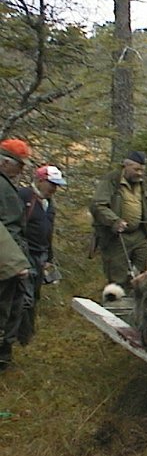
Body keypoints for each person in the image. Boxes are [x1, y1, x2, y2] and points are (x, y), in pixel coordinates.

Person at [90, 151, 147, 291]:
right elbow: (98, 205)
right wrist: (114, 221)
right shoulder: (111, 180)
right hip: (116, 236)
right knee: (117, 276)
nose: (140, 173)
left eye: (142, 170)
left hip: (139, 235)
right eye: (136, 169)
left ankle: (139, 303)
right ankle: (116, 307)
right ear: (126, 166)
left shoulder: (143, 183)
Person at [18, 165, 66, 341]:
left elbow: (48, 232)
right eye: (51, 184)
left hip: (41, 255)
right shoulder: (23, 196)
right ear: (40, 180)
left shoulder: (49, 203)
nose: (54, 189)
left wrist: (49, 258)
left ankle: (27, 336)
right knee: (25, 297)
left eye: (56, 185)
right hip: (23, 254)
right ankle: (22, 337)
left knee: (34, 295)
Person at [0, 139, 33, 370]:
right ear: (4, 162)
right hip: (5, 260)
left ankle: (4, 354)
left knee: (13, 307)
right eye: (19, 165)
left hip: (12, 257)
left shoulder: (6, 184)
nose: (22, 170)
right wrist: (15, 263)